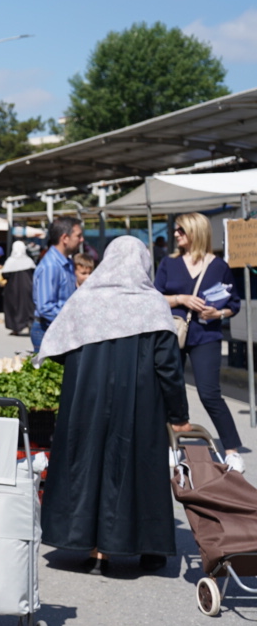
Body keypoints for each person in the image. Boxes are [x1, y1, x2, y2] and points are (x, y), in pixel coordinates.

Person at [40, 236, 190, 574]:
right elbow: (168, 367)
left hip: (87, 401)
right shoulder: (152, 304)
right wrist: (179, 415)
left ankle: (89, 547)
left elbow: (60, 347)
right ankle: (141, 546)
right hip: (139, 405)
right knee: (137, 471)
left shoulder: (85, 300)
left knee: (87, 465)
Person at [155, 212, 244, 459]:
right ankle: (171, 445)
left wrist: (219, 313)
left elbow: (234, 304)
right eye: (176, 230)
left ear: (196, 232)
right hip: (173, 334)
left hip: (206, 335)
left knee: (209, 393)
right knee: (168, 392)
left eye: (181, 230)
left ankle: (232, 451)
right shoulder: (168, 263)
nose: (175, 234)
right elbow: (153, 297)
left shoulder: (218, 266)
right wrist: (180, 299)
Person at [32, 215, 84, 350]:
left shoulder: (67, 263)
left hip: (59, 328)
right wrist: (73, 321)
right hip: (48, 329)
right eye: (78, 236)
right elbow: (46, 308)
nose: (82, 240)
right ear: (65, 238)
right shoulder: (51, 266)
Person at [1, 239, 36, 335]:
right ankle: (29, 325)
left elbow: (5, 275)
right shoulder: (29, 261)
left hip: (13, 290)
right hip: (28, 288)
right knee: (27, 307)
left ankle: (16, 328)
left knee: (14, 308)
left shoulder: (10, 261)